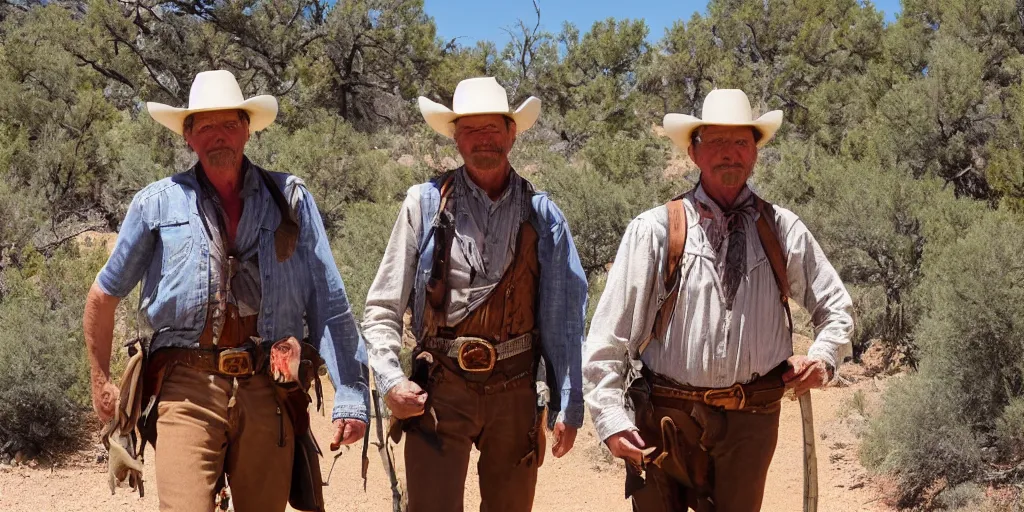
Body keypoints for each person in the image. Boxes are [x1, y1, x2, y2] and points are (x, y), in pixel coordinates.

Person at [83, 69, 369, 511]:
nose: (219, 136)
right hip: (185, 386)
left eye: (229, 124)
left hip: (268, 385)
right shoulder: (156, 204)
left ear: (247, 131)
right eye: (207, 126)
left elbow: (327, 299)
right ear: (188, 136)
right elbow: (103, 296)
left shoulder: (290, 198)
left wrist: (350, 395)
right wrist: (101, 383)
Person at [583, 88, 855, 511]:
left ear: (756, 153)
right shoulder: (655, 230)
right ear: (694, 153)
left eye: (741, 142)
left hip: (752, 423)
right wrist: (611, 418)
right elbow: (607, 339)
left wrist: (823, 358)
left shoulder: (783, 229)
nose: (730, 153)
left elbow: (835, 307)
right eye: (717, 142)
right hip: (664, 419)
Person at [362, 76, 588, 512]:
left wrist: (568, 403)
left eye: (493, 130)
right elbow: (382, 306)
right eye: (471, 130)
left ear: (512, 134)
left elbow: (564, 319)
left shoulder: (543, 215)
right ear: (455, 137)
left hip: (515, 390)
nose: (484, 141)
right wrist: (391, 379)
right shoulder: (424, 204)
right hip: (440, 389)